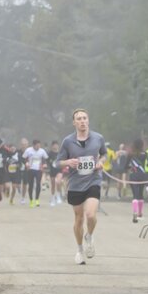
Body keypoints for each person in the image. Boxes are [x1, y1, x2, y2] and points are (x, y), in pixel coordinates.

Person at [56, 109, 106, 265]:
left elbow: (104, 154)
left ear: (88, 120)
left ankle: (89, 236)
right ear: (74, 122)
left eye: (84, 118)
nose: (82, 121)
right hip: (75, 183)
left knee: (90, 215)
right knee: (79, 219)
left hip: (93, 180)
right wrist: (68, 162)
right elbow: (58, 162)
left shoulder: (98, 138)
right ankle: (79, 250)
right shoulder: (67, 141)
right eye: (79, 119)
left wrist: (101, 162)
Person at [24, 135, 48, 207]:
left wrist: (44, 164)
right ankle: (31, 200)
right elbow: (24, 158)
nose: (38, 147)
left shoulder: (42, 151)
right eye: (37, 146)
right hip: (30, 169)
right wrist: (26, 163)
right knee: (30, 185)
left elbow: (45, 159)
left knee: (38, 184)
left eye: (39, 145)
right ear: (33, 145)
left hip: (38, 170)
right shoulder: (28, 150)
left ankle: (37, 199)